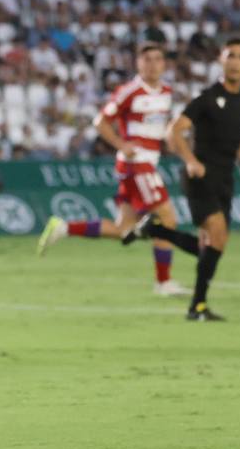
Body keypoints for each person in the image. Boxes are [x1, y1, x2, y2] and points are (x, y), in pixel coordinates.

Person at [37, 42, 189, 296]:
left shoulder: (166, 92)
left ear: (164, 64)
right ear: (138, 64)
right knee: (168, 219)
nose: (152, 64)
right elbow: (100, 121)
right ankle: (163, 282)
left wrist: (170, 140)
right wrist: (121, 143)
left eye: (157, 59)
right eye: (147, 59)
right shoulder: (129, 91)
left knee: (123, 230)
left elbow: (158, 126)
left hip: (149, 161)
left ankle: (63, 228)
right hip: (136, 163)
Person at [127, 38, 240, 321]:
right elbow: (174, 132)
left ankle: (158, 232)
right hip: (201, 176)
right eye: (231, 56)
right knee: (217, 235)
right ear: (221, 62)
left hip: (226, 177)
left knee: (214, 245)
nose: (236, 61)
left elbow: (232, 140)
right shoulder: (207, 98)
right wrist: (190, 161)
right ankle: (197, 306)